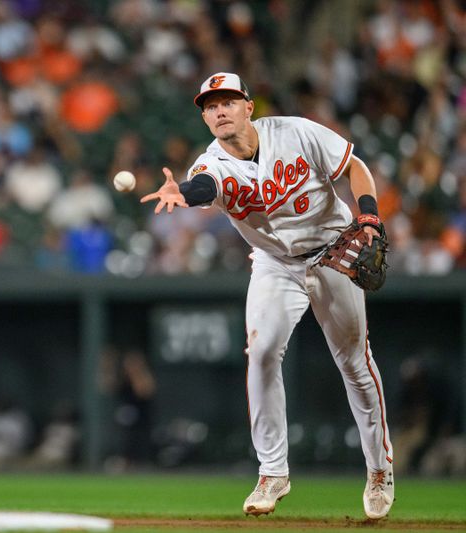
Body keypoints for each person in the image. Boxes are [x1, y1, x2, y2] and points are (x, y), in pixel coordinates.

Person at [141, 73, 394, 519]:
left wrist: (369, 217)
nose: (219, 111)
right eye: (210, 105)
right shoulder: (211, 163)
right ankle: (273, 470)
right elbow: (205, 188)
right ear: (204, 117)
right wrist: (182, 191)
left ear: (248, 106)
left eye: (227, 102)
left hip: (333, 250)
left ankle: (378, 471)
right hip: (275, 264)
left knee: (355, 363)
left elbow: (355, 167)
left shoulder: (296, 131)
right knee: (260, 353)